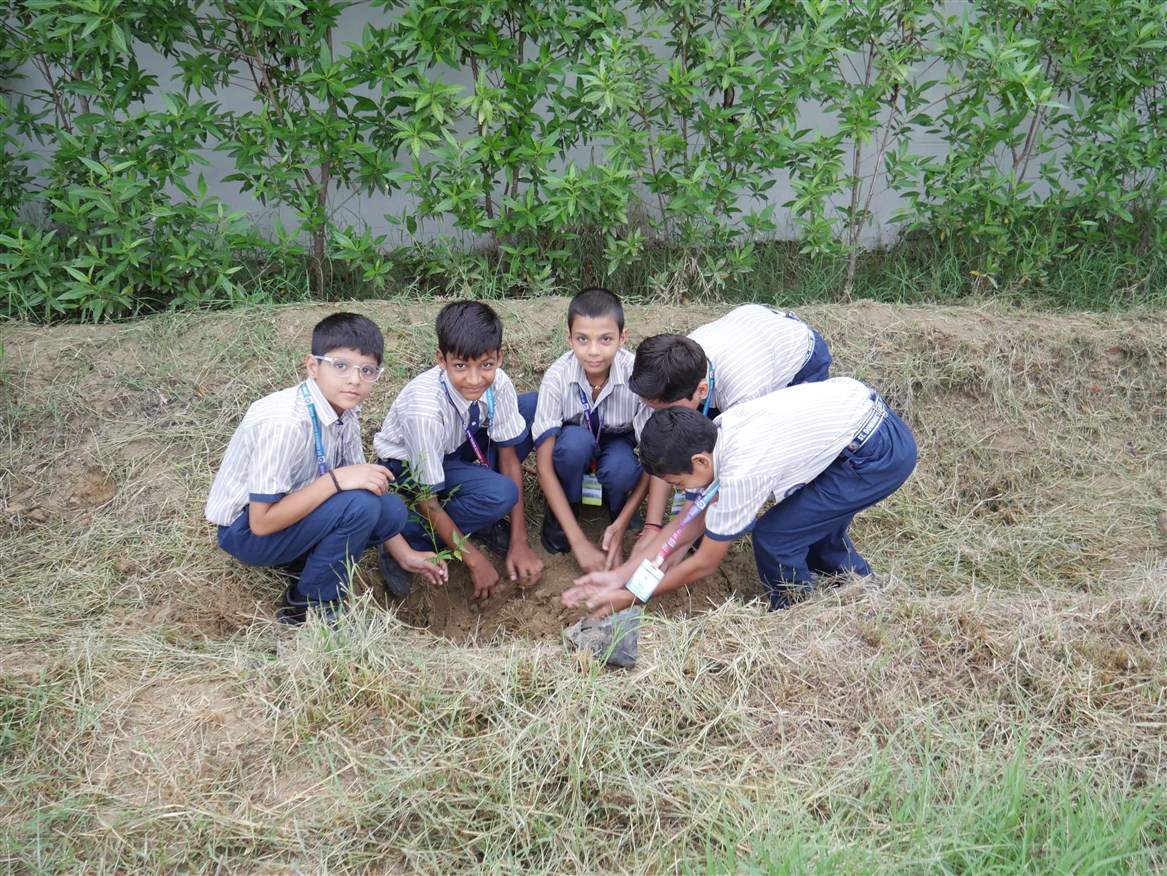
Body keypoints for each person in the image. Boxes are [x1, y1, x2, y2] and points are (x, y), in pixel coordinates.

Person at [564, 377, 917, 617]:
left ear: (699, 462)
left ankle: (800, 617)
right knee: (807, 523)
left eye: (679, 483)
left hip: (875, 454)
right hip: (856, 421)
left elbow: (704, 563)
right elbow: (688, 523)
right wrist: (620, 575)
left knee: (777, 536)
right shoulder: (714, 436)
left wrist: (630, 596)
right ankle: (861, 588)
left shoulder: (741, 473)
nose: (682, 492)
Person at [205, 312, 447, 626]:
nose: (355, 379)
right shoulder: (285, 423)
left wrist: (405, 553)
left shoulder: (345, 411)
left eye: (367, 370)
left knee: (389, 509)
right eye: (340, 366)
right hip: (247, 531)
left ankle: (305, 560)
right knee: (360, 505)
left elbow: (363, 488)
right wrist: (336, 480)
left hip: (293, 512)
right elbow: (261, 523)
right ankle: (309, 603)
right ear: (313, 366)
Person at [616, 304, 833, 562]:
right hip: (745, 331)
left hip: (798, 356)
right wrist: (653, 527)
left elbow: (732, 468)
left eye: (666, 410)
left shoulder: (745, 392)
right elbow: (664, 451)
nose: (659, 416)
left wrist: (677, 542)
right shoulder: (665, 380)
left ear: (701, 391)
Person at [373, 300, 544, 600]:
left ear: (499, 357)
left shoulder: (498, 383)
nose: (475, 379)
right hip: (408, 466)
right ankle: (409, 538)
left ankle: (479, 518)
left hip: (457, 445)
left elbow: (509, 459)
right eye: (461, 366)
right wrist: (473, 560)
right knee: (501, 494)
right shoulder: (424, 411)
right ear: (442, 359)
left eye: (486, 365)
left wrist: (519, 540)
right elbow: (426, 499)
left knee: (531, 406)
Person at [522, 287, 648, 572]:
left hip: (617, 438)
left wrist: (624, 523)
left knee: (621, 469)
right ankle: (566, 506)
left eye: (605, 339)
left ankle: (618, 506)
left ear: (622, 338)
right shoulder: (557, 377)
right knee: (572, 447)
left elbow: (654, 460)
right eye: (582, 339)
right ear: (569, 338)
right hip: (575, 436)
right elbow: (544, 466)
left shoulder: (637, 375)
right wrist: (579, 542)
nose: (593, 351)